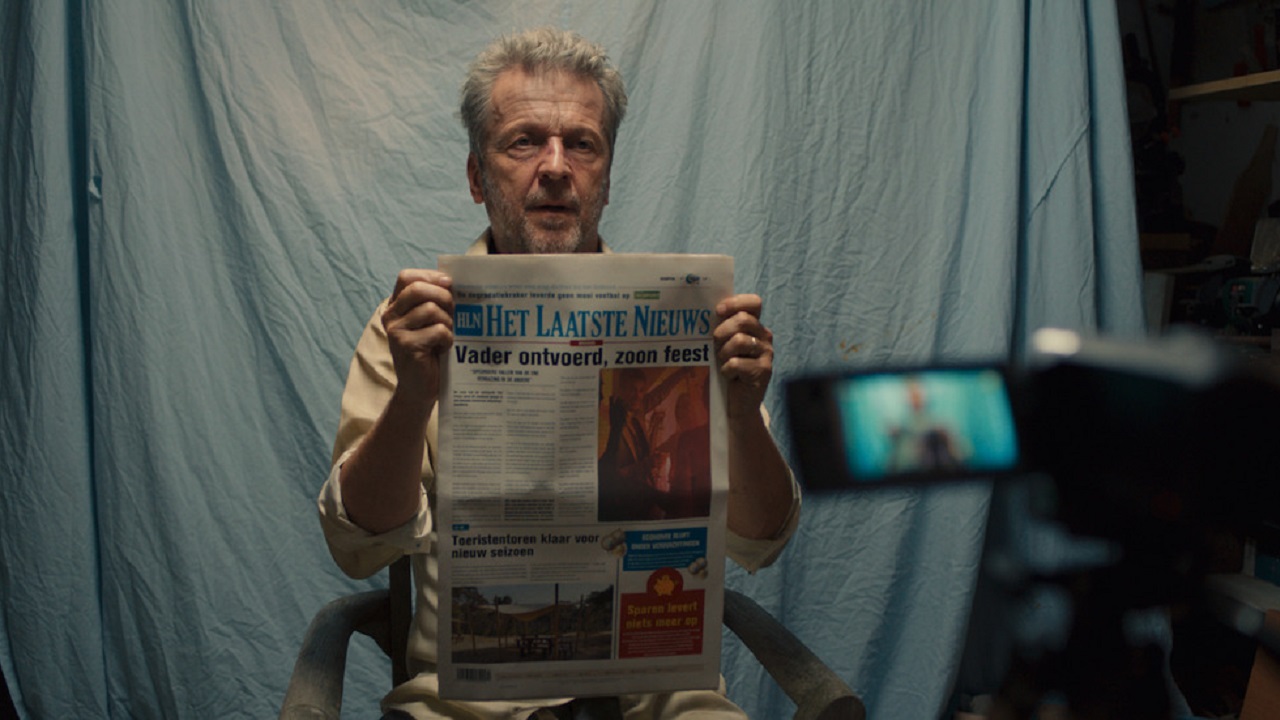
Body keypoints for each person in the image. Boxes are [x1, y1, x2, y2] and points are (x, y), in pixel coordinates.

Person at [318, 26, 800, 720]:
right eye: (524, 142)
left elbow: (762, 539)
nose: (555, 166)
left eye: (582, 143)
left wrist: (740, 414)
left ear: (607, 175)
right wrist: (413, 398)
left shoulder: (689, 318)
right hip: (466, 706)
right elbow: (357, 545)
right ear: (477, 177)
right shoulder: (414, 327)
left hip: (660, 701)